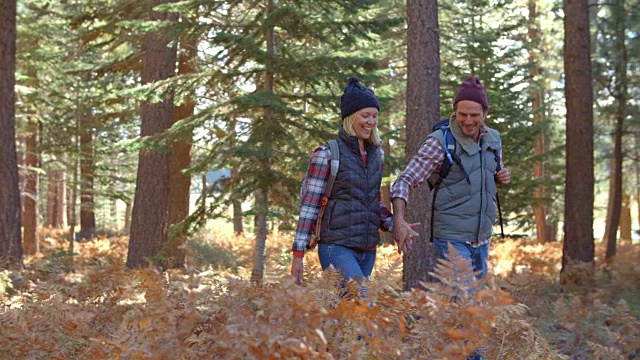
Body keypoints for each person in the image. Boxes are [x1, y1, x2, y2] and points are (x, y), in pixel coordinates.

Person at [390, 75, 510, 360]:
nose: (467, 121)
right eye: (461, 114)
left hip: (482, 237)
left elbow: (495, 172)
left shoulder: (493, 139)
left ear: (485, 114)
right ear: (454, 111)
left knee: (472, 308)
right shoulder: (440, 142)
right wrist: (399, 219)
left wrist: (503, 176)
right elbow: (404, 181)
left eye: (474, 115)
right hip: (452, 238)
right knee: (467, 307)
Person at [290, 77, 398, 289]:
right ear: (350, 117)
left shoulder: (377, 155)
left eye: (374, 116)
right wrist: (298, 254)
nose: (371, 121)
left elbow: (372, 202)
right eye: (365, 115)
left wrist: (396, 225)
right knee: (361, 302)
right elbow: (309, 206)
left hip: (368, 250)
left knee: (347, 315)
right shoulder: (327, 154)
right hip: (336, 247)